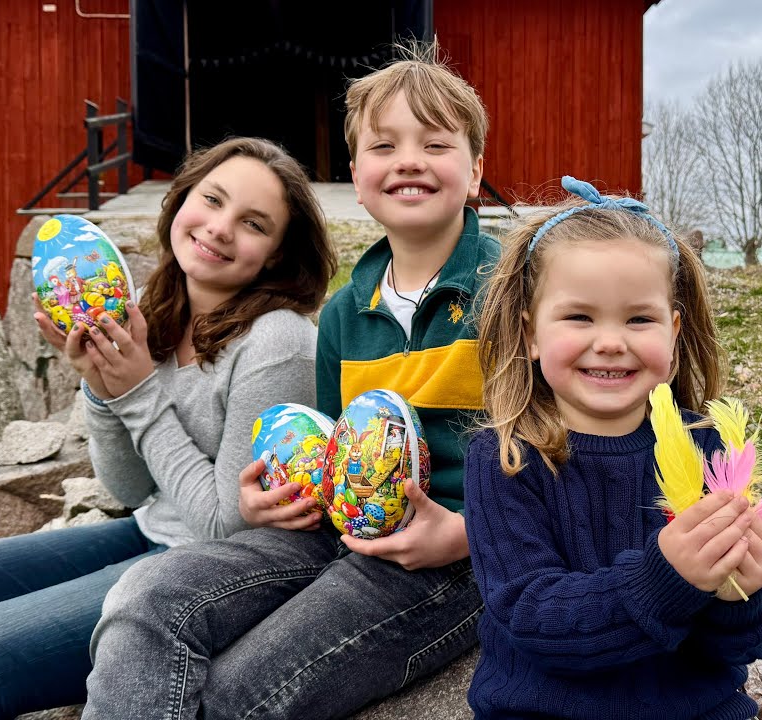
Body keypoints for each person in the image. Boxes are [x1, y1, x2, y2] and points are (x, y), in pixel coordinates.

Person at [82, 47, 497, 719]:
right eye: (383, 145)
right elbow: (341, 456)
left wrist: (468, 532)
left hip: (459, 561)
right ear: (356, 177)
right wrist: (276, 495)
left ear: (475, 171)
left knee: (237, 698)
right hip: (348, 536)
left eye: (436, 143)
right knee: (146, 600)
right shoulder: (342, 314)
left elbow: (556, 448)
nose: (409, 159)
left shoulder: (508, 295)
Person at [0, 137, 336, 720]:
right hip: (150, 531)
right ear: (181, 199)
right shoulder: (152, 308)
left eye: (252, 223)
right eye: (212, 200)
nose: (220, 228)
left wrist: (137, 393)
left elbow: (225, 525)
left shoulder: (278, 342)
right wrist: (99, 385)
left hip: (209, 574)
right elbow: (128, 490)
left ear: (274, 254)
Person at [465, 176, 762, 719]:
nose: (611, 340)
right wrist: (669, 579)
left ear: (674, 334)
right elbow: (534, 621)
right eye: (579, 316)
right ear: (531, 334)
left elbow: (745, 647)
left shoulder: (707, 451)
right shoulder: (505, 461)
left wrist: (741, 596)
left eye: (639, 319)